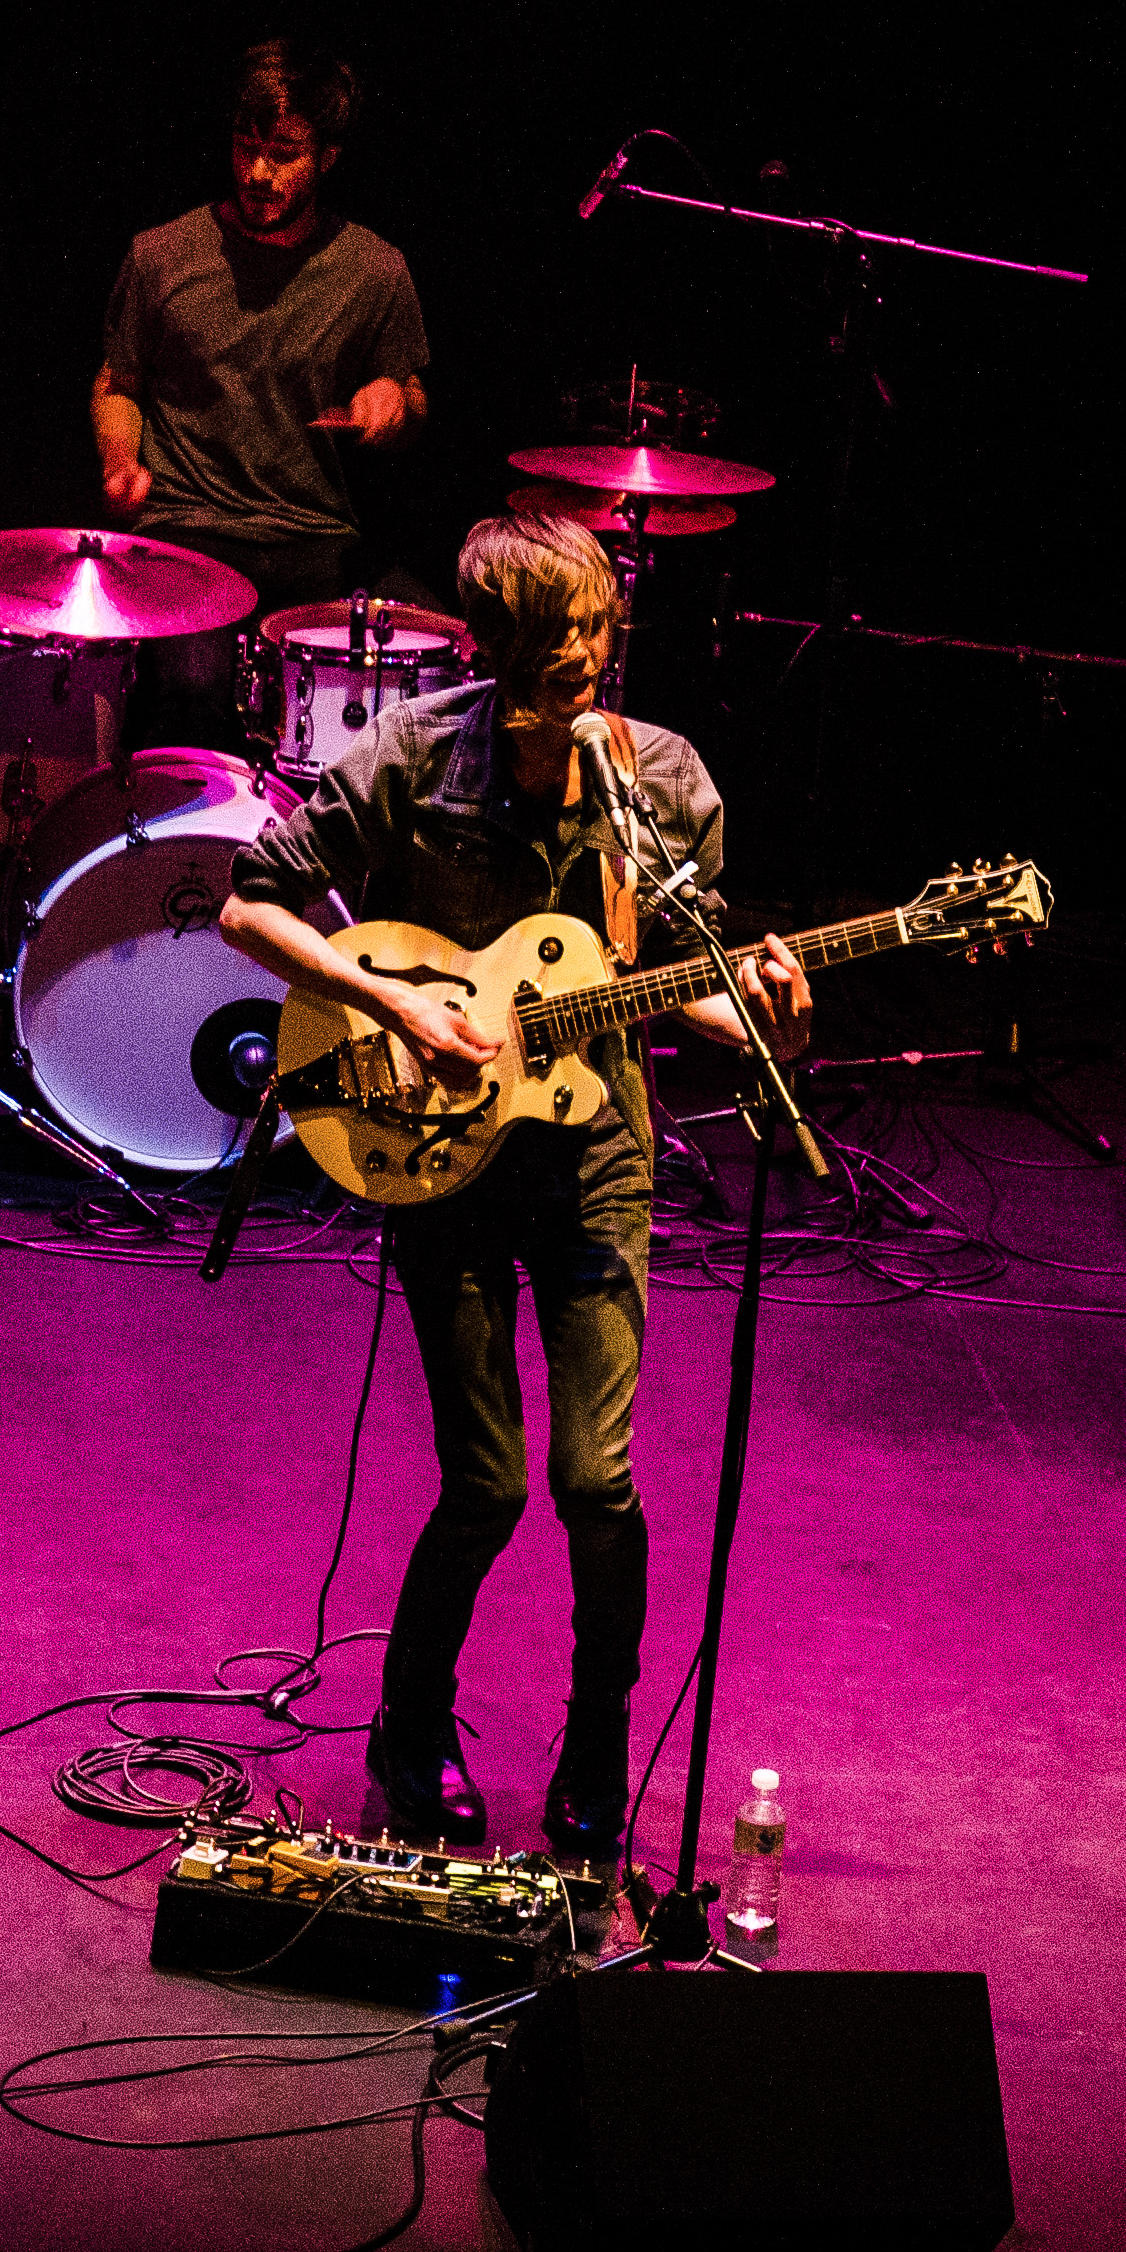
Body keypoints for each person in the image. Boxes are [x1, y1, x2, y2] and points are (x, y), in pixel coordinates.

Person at [217, 513, 807, 1870]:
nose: (581, 663)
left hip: (598, 1154)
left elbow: (685, 978)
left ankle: (597, 1736)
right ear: (492, 646)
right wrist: (387, 1001)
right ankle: (407, 1732)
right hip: (446, 1162)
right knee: (481, 1487)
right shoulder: (414, 751)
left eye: (597, 633)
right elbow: (255, 903)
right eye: (552, 643)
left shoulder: (656, 783)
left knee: (598, 1483)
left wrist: (762, 1005)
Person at [92, 39, 429, 750]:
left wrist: (391, 407)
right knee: (191, 690)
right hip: (189, 529)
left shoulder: (375, 270)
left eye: (283, 153)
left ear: (327, 159)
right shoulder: (161, 255)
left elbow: (410, 393)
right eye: (246, 145)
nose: (257, 171)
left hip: (315, 539)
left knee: (436, 670)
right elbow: (117, 384)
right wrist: (120, 458)